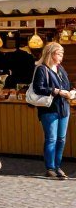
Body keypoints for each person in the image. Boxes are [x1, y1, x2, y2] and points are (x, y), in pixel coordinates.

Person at [30, 42, 74, 179]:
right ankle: (50, 168)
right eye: (59, 53)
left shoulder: (60, 69)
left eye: (62, 53)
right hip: (49, 110)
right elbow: (38, 88)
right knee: (51, 139)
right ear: (51, 53)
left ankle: (57, 166)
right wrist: (56, 91)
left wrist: (72, 91)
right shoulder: (41, 69)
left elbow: (68, 84)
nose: (61, 56)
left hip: (64, 108)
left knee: (61, 139)